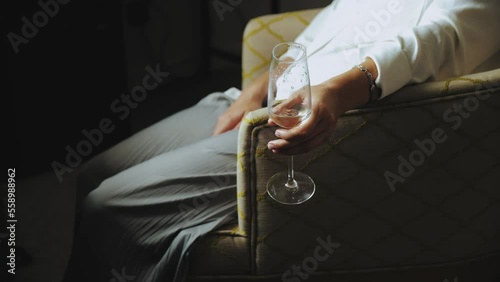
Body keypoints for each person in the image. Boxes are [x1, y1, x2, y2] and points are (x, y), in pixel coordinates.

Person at [62, 0, 500, 281]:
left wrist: (341, 89)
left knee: (106, 208)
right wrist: (256, 86)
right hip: (259, 101)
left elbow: (438, 40)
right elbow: (328, 23)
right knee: (92, 174)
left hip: (321, 125)